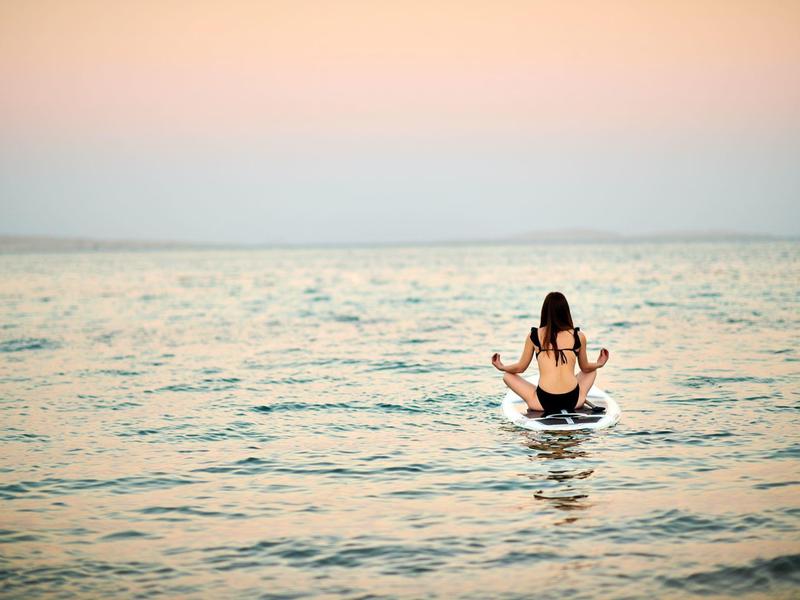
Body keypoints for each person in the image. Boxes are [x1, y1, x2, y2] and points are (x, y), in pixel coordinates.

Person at [491, 292, 609, 414]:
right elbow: (585, 367)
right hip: (573, 400)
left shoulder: (534, 335)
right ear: (566, 311)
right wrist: (599, 364)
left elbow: (520, 368)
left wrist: (502, 367)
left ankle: (537, 398)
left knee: (507, 375)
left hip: (543, 402)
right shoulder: (578, 336)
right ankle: (581, 396)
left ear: (545, 312)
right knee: (592, 370)